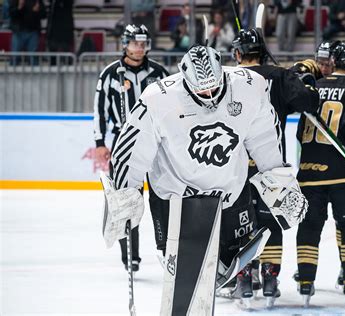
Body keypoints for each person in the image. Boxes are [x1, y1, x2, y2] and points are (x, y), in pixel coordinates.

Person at [108, 44, 308, 315]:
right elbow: (130, 150)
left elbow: (264, 137)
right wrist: (124, 194)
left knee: (227, 265)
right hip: (173, 194)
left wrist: (280, 183)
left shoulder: (249, 85)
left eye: (215, 88)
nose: (210, 96)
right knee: (182, 272)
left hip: (229, 190)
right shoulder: (159, 97)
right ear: (185, 80)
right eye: (202, 91)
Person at [224, 28, 320, 306]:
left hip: (235, 166)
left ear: (238, 53)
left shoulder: (227, 76)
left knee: (239, 222)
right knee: (271, 221)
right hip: (270, 165)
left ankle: (243, 278)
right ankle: (269, 278)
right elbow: (307, 102)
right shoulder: (279, 75)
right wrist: (306, 82)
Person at [295, 41, 345, 308]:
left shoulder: (315, 86)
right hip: (343, 174)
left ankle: (306, 282)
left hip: (309, 173)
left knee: (309, 227)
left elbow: (300, 132)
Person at [93, 24, 169, 272]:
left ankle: (167, 249)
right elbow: (100, 109)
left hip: (157, 144)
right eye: (135, 43)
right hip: (124, 143)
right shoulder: (110, 74)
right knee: (127, 199)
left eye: (143, 43)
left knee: (162, 197)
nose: (139, 47)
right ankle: (130, 254)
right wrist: (100, 142)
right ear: (124, 44)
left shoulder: (159, 73)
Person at [9, 0, 46, 65]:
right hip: (18, 32)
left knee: (33, 58)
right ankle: (12, 74)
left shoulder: (38, 1)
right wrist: (19, 7)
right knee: (15, 57)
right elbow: (11, 14)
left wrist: (38, 11)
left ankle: (34, 74)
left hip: (33, 32)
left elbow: (44, 14)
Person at [46, 0, 74, 65]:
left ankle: (68, 68)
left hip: (65, 31)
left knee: (66, 55)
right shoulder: (53, 3)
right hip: (53, 32)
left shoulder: (66, 3)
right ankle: (53, 70)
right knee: (53, 56)